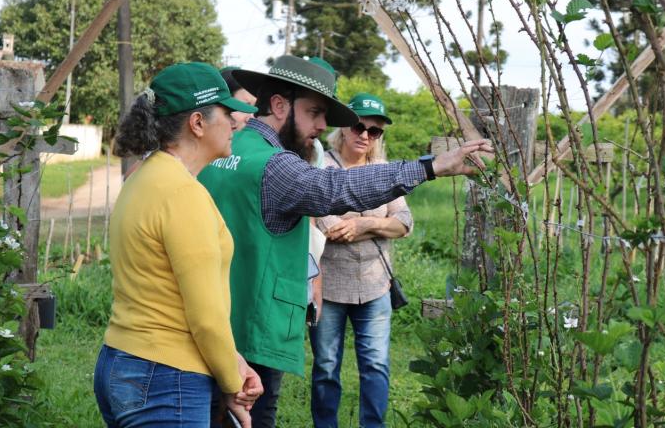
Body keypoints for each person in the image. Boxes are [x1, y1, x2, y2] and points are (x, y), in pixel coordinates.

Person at [197, 55, 492, 427]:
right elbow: (336, 188)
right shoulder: (275, 166)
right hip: (253, 330)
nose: (322, 126)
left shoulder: (224, 151)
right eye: (315, 112)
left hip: (211, 321)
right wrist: (431, 166)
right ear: (278, 105)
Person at [93, 62, 263, 428]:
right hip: (165, 377)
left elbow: (166, 294)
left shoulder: (144, 177)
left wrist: (233, 360)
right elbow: (205, 317)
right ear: (197, 123)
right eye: (227, 114)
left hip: (121, 361)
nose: (235, 123)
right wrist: (233, 385)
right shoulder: (183, 195)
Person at [311, 93, 410, 427]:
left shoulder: (384, 172)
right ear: (343, 127)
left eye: (374, 131)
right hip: (329, 286)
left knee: (376, 366)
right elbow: (329, 227)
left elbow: (404, 223)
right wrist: (379, 227)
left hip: (375, 286)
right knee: (325, 366)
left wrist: (365, 224)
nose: (365, 135)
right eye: (358, 126)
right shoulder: (320, 166)